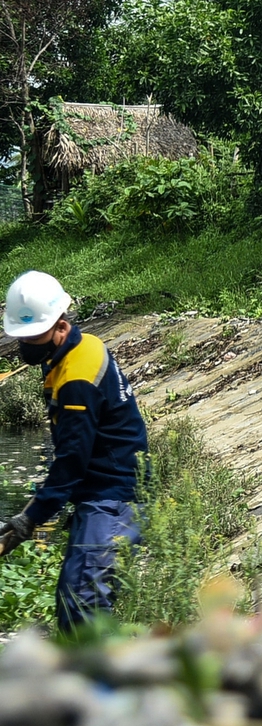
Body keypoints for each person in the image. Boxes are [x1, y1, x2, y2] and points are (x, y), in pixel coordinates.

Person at [0, 271, 148, 632]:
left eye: (33, 337)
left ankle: (99, 681)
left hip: (112, 497)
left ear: (60, 327)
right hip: (103, 492)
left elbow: (71, 462)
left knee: (83, 600)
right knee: (75, 596)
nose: (27, 346)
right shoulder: (82, 347)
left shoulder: (78, 378)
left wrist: (26, 522)